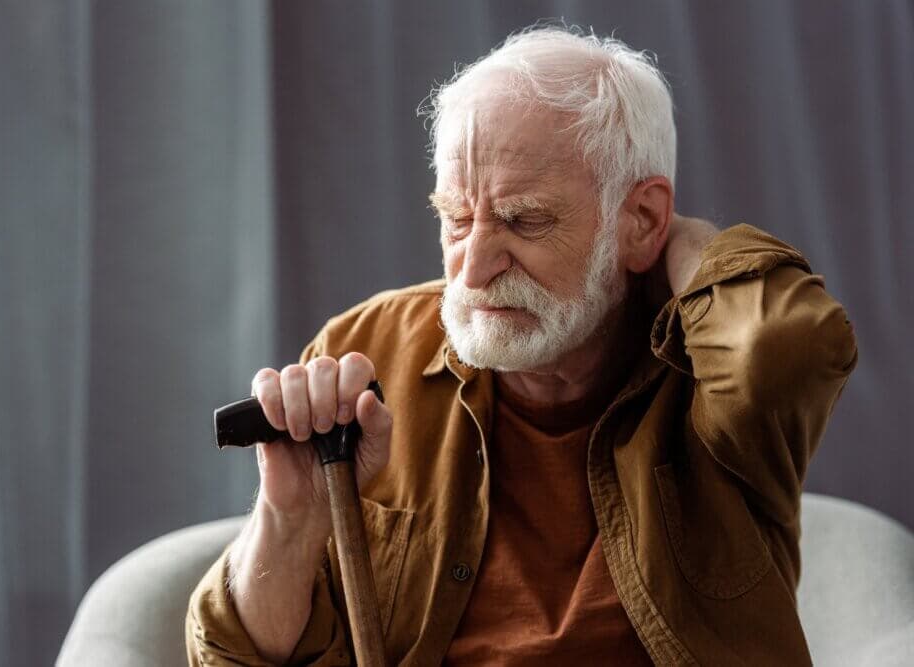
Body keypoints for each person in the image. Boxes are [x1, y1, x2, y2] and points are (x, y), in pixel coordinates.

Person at [186, 25, 857, 666]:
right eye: (455, 217)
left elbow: (783, 352)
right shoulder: (363, 349)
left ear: (641, 217)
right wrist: (289, 517)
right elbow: (234, 658)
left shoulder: (712, 366)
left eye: (524, 220)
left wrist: (680, 242)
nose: (472, 268)